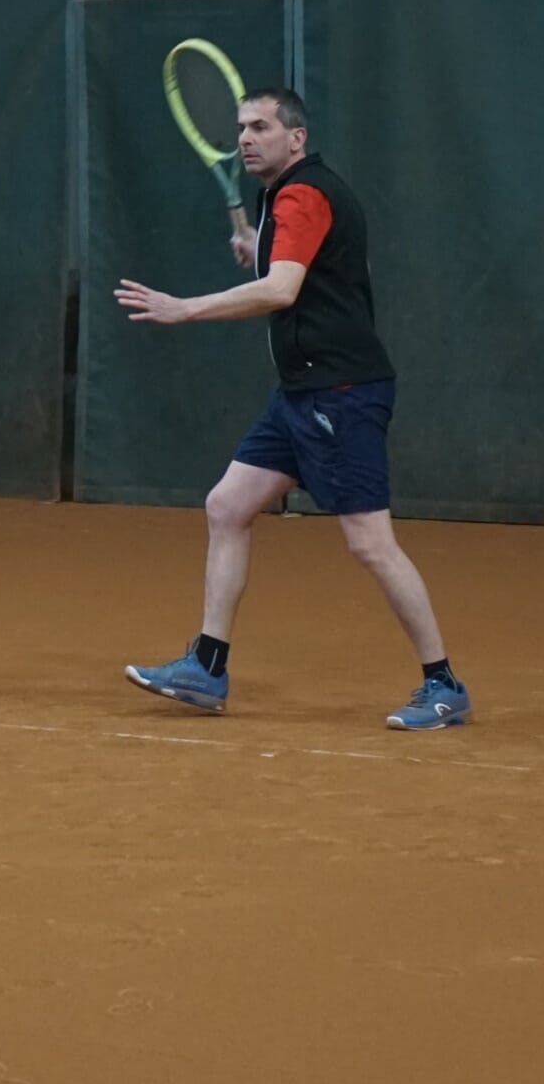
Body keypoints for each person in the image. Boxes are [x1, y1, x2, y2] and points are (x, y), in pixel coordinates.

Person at [113, 86, 469, 730]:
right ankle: (207, 667)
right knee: (227, 505)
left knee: (370, 544)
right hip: (301, 393)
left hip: (342, 394)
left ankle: (443, 685)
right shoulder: (287, 194)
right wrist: (260, 247)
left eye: (261, 127)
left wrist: (185, 308)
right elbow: (306, 269)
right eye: (241, 127)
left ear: (296, 138)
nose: (245, 139)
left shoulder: (302, 194)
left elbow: (281, 290)